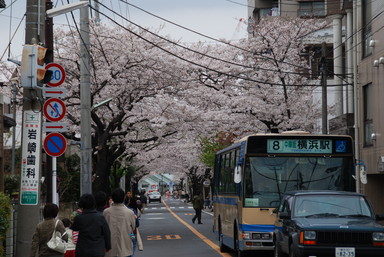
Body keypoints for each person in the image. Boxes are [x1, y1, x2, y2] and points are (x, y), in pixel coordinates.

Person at [103, 188, 137, 257]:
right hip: (125, 247)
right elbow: (133, 227)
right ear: (124, 197)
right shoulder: (130, 212)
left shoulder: (106, 212)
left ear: (112, 198)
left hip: (110, 248)